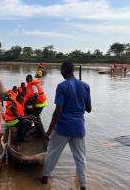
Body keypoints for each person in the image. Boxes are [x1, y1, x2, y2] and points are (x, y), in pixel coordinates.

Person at [40, 61, 92, 190]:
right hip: (79, 128)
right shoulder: (85, 86)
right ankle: (84, 186)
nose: (61, 72)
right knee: (80, 158)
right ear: (73, 70)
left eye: (61, 70)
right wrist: (79, 99)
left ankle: (45, 178)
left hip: (63, 127)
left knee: (52, 152)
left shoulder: (62, 86)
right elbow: (89, 109)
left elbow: (58, 111)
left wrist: (49, 130)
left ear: (63, 70)